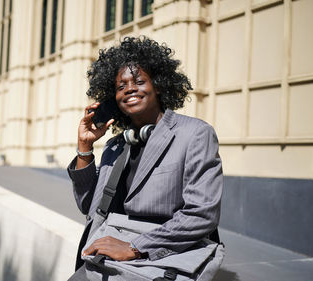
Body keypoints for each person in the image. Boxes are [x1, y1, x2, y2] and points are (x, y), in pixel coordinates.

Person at [67, 36, 223, 277]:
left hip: (162, 261)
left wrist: (135, 247)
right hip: (107, 258)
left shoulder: (195, 134)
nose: (129, 88)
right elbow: (89, 207)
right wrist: (85, 148)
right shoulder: (115, 146)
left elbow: (201, 214)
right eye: (121, 86)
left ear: (158, 85)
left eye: (139, 81)